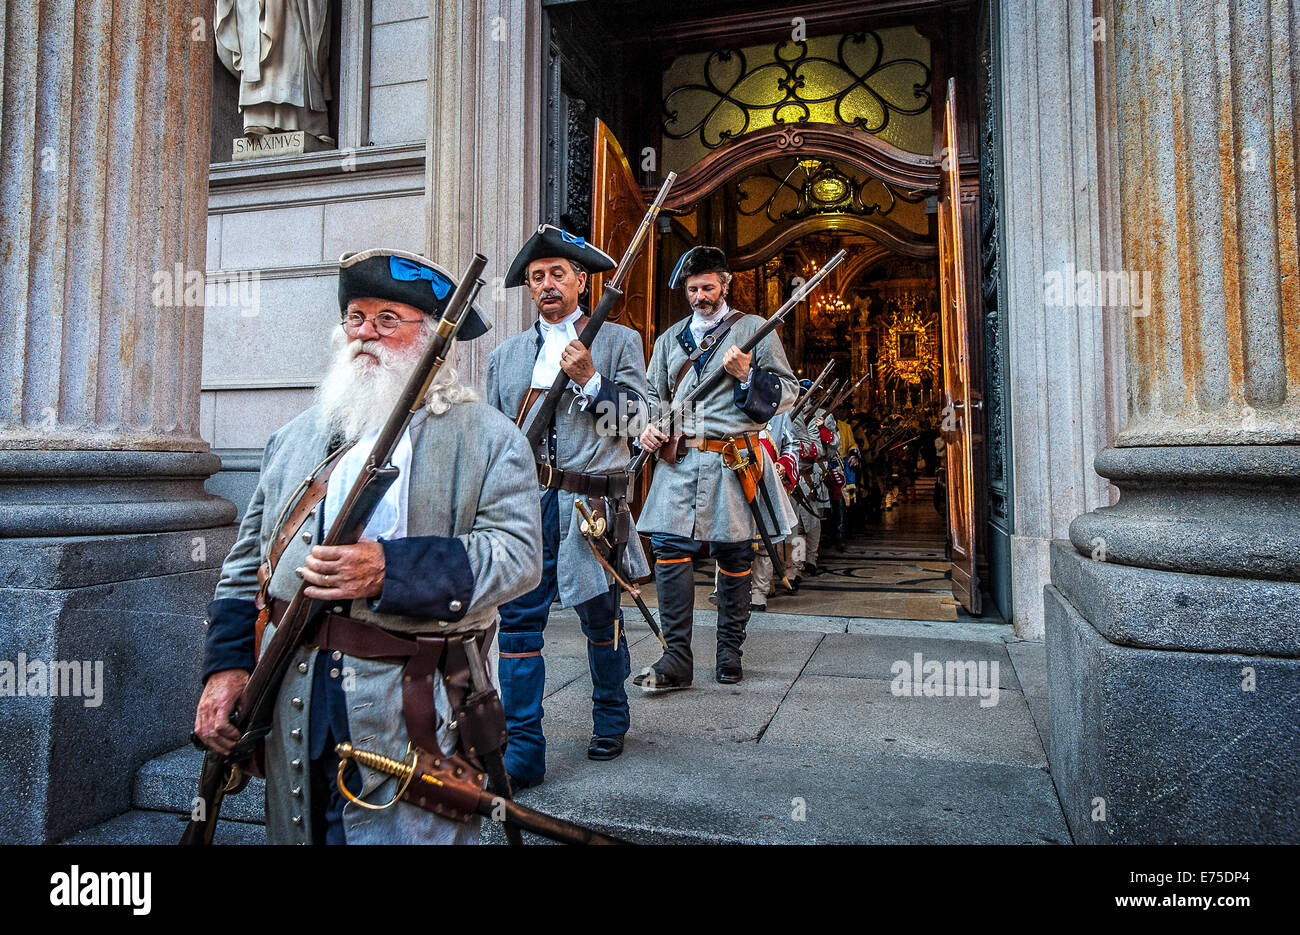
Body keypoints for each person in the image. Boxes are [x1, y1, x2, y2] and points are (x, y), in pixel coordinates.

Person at [193, 248, 542, 845]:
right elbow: (245, 565)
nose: (366, 335)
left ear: (434, 340)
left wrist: (390, 570)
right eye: (356, 317)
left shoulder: (488, 437)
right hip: (291, 689)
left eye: (388, 320)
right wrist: (226, 669)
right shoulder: (294, 439)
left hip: (408, 695)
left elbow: (516, 556)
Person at [486, 225, 650, 784]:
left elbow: (640, 421)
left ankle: (610, 717)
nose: (547, 284)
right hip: (527, 510)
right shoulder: (506, 356)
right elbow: (495, 441)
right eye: (537, 277)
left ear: (582, 281)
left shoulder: (619, 341)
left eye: (558, 273)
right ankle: (523, 749)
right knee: (517, 624)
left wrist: (591, 380)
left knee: (600, 616)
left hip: (591, 508)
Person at [635, 246, 798, 687]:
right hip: (680, 461)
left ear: (725, 285)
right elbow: (654, 396)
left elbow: (788, 392)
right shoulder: (670, 340)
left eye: (708, 287)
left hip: (734, 460)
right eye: (693, 289)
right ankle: (676, 659)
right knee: (669, 549)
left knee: (735, 553)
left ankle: (729, 652)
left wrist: (748, 375)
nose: (700, 295)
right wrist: (648, 428)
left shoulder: (754, 330)